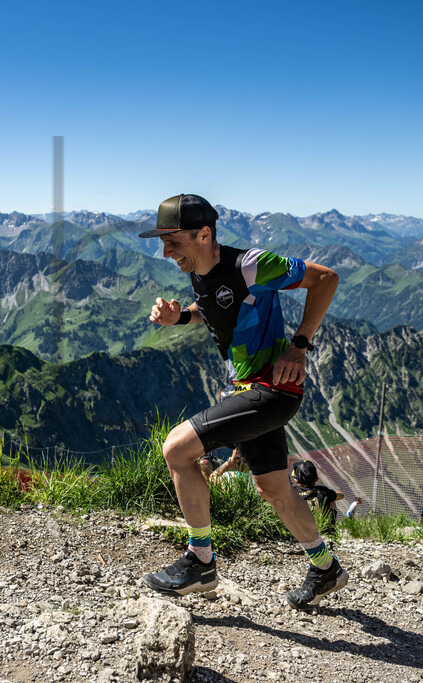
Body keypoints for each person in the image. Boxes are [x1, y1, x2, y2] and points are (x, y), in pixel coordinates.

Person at [137, 193, 348, 610]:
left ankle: (201, 562)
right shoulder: (200, 269)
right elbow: (215, 307)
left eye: (173, 240)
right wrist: (179, 317)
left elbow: (325, 278)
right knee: (273, 488)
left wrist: (299, 346)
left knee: (176, 450)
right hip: (247, 389)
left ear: (204, 234)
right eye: (161, 241)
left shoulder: (250, 264)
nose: (165, 252)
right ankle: (325, 568)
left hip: (270, 390)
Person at [290, 460, 344, 527]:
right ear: (317, 478)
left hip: (304, 531)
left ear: (296, 480)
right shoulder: (323, 491)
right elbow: (341, 496)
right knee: (331, 498)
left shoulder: (293, 492)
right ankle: (330, 526)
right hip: (326, 532)